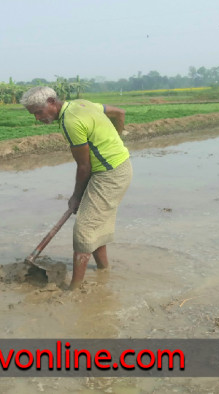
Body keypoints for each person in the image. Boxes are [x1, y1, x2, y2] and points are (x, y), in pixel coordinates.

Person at [20, 87, 132, 290]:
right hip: (116, 167)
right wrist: (117, 138)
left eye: (39, 112)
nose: (37, 118)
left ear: (52, 102)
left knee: (84, 230)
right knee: (95, 225)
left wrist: (76, 197)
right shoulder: (82, 104)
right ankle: (103, 270)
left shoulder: (70, 122)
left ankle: (74, 289)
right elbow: (119, 113)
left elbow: (84, 166)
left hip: (108, 174)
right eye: (33, 114)